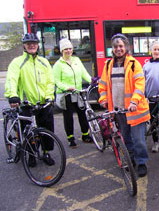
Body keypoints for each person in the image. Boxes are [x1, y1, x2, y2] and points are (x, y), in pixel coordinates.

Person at [98, 33, 150, 177]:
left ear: (126, 47)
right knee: (126, 138)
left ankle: (141, 162)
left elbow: (140, 85)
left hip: (135, 109)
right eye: (115, 46)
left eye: (121, 46)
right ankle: (130, 159)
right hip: (119, 110)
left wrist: (134, 101)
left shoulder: (134, 64)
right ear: (112, 49)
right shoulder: (108, 65)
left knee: (139, 140)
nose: (118, 49)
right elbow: (102, 85)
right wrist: (103, 99)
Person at [5, 32, 55, 166]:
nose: (32, 45)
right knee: (28, 133)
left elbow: (51, 81)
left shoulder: (44, 62)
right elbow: (12, 79)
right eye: (29, 43)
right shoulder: (17, 62)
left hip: (44, 103)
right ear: (24, 46)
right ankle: (31, 155)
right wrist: (12, 95)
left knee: (47, 130)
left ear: (38, 45)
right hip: (27, 104)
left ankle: (46, 153)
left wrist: (50, 96)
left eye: (34, 43)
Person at [53, 38, 93, 147]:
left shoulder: (76, 60)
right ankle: (70, 138)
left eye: (70, 48)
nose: (68, 51)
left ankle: (85, 135)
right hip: (66, 94)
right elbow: (56, 80)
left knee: (82, 114)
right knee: (68, 117)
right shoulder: (58, 64)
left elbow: (84, 73)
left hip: (78, 92)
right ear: (62, 51)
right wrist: (66, 87)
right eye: (66, 49)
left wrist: (92, 80)